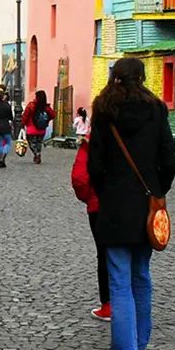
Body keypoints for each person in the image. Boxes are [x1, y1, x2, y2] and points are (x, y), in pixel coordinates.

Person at [87, 57, 175, 350]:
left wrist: (105, 190)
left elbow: (94, 164)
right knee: (141, 274)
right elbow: (169, 158)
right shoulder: (157, 110)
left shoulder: (104, 110)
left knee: (119, 280)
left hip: (113, 205)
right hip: (146, 203)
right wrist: (158, 189)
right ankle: (139, 342)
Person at [71, 132, 111, 322]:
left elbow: (80, 178)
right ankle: (134, 304)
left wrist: (89, 196)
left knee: (104, 253)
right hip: (134, 203)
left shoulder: (92, 139)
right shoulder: (143, 130)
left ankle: (108, 305)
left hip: (99, 205)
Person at [22, 90, 53, 164]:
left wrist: (23, 124)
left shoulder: (31, 105)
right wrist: (46, 120)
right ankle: (37, 154)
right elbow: (52, 115)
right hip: (42, 129)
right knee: (39, 143)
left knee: (31, 143)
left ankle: (36, 154)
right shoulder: (46, 107)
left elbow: (25, 116)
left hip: (31, 128)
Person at [0, 90, 14, 168]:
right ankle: (4, 156)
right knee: (7, 142)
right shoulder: (7, 105)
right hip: (5, 125)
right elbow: (10, 116)